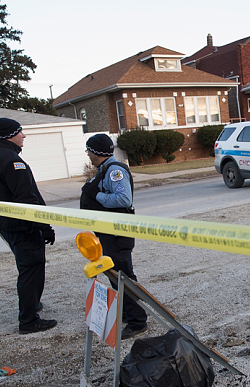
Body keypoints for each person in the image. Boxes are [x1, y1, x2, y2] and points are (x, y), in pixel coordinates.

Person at [0, 117, 57, 334]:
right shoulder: (13, 162)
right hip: (22, 226)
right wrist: (44, 226)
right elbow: (27, 199)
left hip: (6, 225)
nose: (24, 136)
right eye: (20, 132)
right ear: (10, 135)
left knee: (26, 266)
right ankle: (29, 320)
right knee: (31, 268)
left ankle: (32, 303)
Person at [80, 133, 148, 340]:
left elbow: (124, 199)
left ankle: (138, 322)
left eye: (89, 150)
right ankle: (128, 314)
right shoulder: (104, 170)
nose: (88, 154)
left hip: (118, 233)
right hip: (110, 232)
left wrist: (96, 195)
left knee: (123, 277)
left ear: (96, 152)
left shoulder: (114, 171)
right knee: (116, 275)